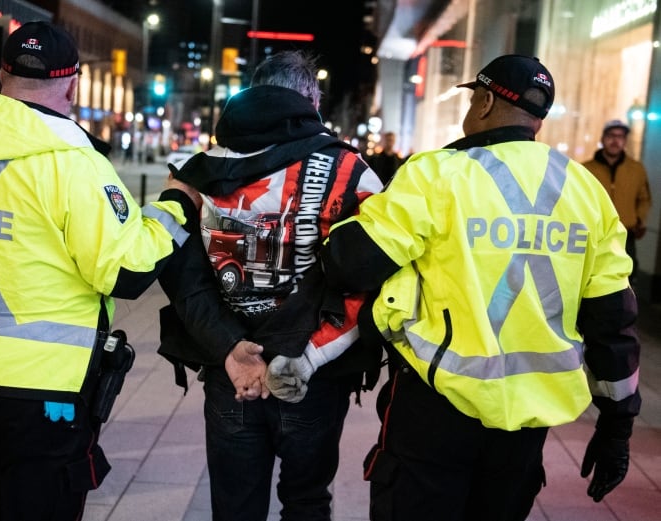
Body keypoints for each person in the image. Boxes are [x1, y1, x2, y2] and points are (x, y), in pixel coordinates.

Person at [0, 21, 201, 520]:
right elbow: (127, 273)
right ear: (72, 84)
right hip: (41, 396)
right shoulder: (75, 166)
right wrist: (177, 206)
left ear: (1, 73)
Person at [320, 54, 642, 520]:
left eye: (473, 97)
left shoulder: (438, 174)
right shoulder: (587, 192)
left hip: (435, 407)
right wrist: (617, 428)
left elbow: (350, 263)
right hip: (526, 427)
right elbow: (613, 321)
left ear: (487, 100)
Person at [157, 50, 384, 520]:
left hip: (230, 372)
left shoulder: (194, 172)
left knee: (235, 506)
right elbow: (370, 280)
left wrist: (228, 348)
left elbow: (181, 276)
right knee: (305, 501)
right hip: (312, 374)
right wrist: (306, 358)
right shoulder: (351, 172)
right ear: (309, 99)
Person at [583, 119, 651, 285]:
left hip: (626, 234)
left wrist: (640, 220)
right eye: (611, 135)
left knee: (625, 278)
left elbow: (645, 198)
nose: (615, 140)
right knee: (591, 277)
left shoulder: (636, 169)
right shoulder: (585, 169)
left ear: (625, 141)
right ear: (603, 138)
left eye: (620, 136)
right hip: (594, 234)